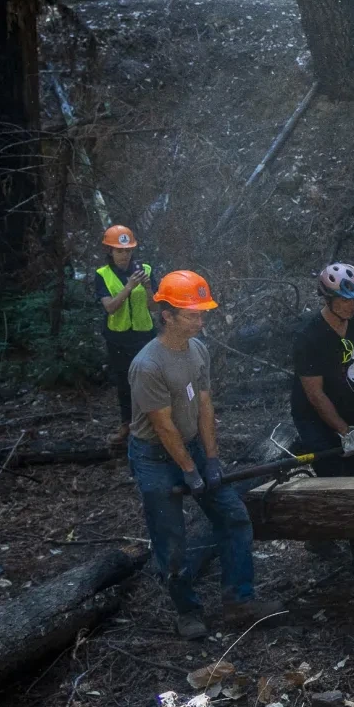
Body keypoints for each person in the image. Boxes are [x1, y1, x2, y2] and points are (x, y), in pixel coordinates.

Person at [127, 270, 279, 639]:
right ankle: (187, 611)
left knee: (234, 518)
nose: (200, 319)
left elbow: (206, 406)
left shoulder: (197, 350)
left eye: (201, 312)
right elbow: (163, 427)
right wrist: (189, 470)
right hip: (154, 457)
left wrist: (211, 459)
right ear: (168, 315)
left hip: (191, 444)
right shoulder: (148, 366)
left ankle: (239, 600)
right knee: (172, 540)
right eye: (192, 313)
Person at [292, 262, 354, 577]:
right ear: (327, 299)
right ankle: (326, 535)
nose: (353, 305)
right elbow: (315, 395)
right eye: (346, 300)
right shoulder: (309, 336)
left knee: (353, 471)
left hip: (344, 404)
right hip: (312, 415)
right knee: (332, 474)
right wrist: (344, 433)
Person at [93, 225, 157, 449]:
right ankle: (127, 424)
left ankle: (155, 423)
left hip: (144, 336)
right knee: (124, 382)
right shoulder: (103, 275)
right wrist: (129, 286)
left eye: (128, 250)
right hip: (118, 338)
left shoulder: (146, 269)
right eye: (119, 251)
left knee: (149, 381)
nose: (124, 255)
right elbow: (110, 307)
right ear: (110, 250)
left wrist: (148, 287)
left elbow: (154, 306)